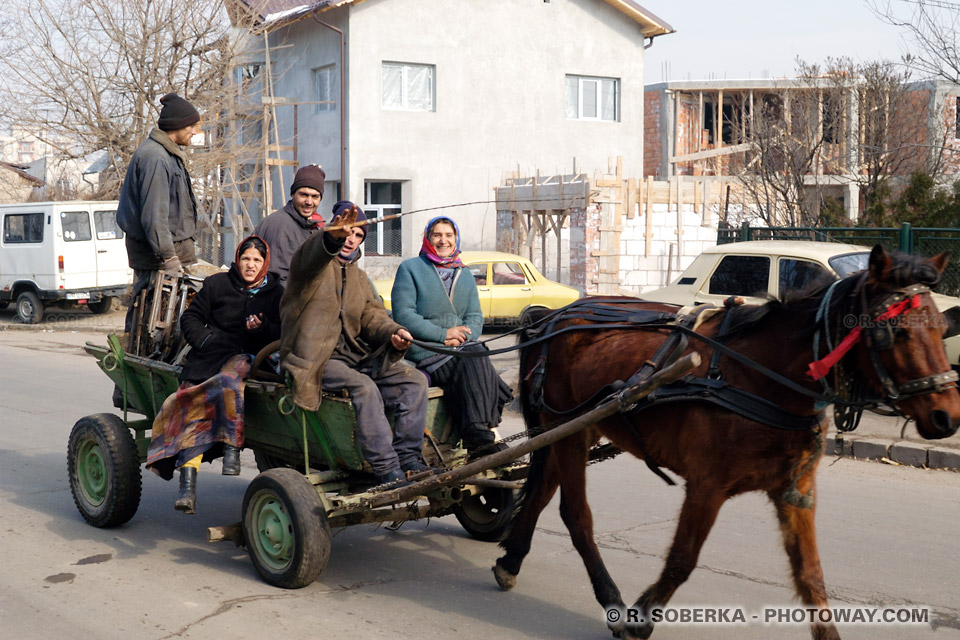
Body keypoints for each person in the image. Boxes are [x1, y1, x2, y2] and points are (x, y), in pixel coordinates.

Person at [280, 201, 430, 485]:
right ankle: (386, 468)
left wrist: (394, 333)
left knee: (415, 381)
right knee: (363, 386)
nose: (351, 239)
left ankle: (409, 458)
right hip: (315, 359)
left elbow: (373, 316)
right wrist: (330, 236)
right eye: (346, 233)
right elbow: (313, 253)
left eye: (358, 235)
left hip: (355, 358)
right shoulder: (309, 268)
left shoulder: (360, 278)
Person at [146, 235, 283, 513]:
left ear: (265, 263)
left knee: (231, 379)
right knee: (190, 405)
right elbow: (190, 319)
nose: (251, 265)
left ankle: (232, 446)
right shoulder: (217, 284)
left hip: (248, 357)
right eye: (246, 258)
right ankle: (187, 488)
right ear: (237, 259)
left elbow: (283, 332)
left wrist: (263, 327)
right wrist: (207, 339)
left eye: (257, 260)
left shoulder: (276, 293)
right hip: (209, 356)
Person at [391, 216, 513, 453]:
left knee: (475, 351)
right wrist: (442, 335)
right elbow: (405, 315)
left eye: (449, 235)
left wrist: (461, 337)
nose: (443, 240)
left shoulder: (464, 273)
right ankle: (477, 434)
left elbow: (475, 317)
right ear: (428, 238)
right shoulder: (411, 269)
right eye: (437, 235)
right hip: (426, 352)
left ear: (456, 238)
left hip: (461, 349)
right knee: (477, 356)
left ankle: (481, 433)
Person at [117, 92, 202, 333]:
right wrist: (169, 257)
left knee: (172, 318)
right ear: (178, 126)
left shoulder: (167, 153)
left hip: (169, 254)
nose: (194, 132)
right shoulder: (155, 157)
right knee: (150, 320)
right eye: (192, 126)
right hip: (159, 259)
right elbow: (154, 216)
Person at [254, 164, 327, 285]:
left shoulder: (306, 224)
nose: (309, 202)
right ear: (293, 194)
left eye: (315, 196)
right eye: (303, 195)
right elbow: (279, 279)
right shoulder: (282, 226)